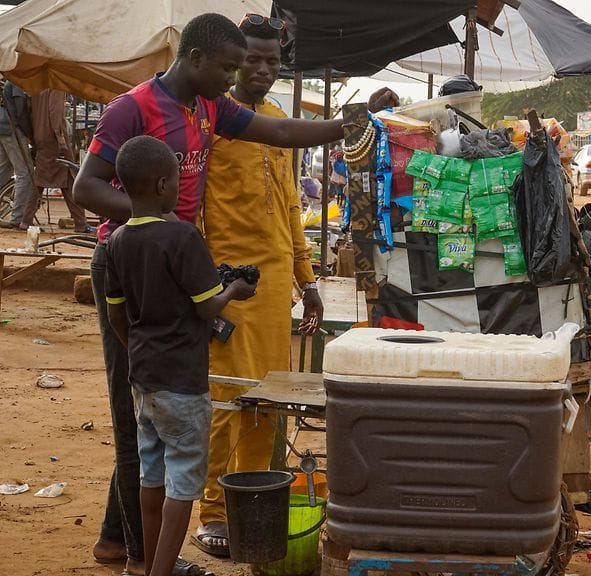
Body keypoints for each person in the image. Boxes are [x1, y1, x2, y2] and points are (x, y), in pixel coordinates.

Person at [72, 12, 396, 576]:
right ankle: (143, 557)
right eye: (228, 66)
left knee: (151, 405)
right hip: (131, 261)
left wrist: (350, 129)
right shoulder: (134, 108)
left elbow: (280, 132)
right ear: (195, 59)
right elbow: (86, 187)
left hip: (173, 261)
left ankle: (120, 544)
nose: (235, 76)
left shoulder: (208, 108)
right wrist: (157, 220)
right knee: (139, 406)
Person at [192, 16, 323, 557]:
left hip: (274, 290)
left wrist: (306, 279)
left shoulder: (275, 123)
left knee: (269, 400)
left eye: (273, 61)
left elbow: (292, 205)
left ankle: (255, 499)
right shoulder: (209, 121)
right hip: (225, 285)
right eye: (254, 60)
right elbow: (193, 204)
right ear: (233, 59)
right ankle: (214, 510)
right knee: (226, 396)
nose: (264, 70)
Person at [104, 134, 257, 576]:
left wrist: (139, 348)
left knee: (150, 474)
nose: (180, 186)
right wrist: (235, 289)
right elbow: (207, 307)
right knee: (184, 483)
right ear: (159, 185)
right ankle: (161, 572)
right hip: (183, 381)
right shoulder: (182, 237)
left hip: (144, 376)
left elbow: (118, 316)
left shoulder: (115, 242)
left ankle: (151, 563)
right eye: (175, 179)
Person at [20, 89, 93, 233]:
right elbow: (55, 112)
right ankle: (80, 223)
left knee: (42, 181)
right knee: (67, 178)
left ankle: (26, 220)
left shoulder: (37, 88)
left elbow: (29, 112)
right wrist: (61, 141)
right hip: (53, 139)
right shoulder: (56, 87)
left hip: (41, 136)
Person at [0, 80, 36, 230]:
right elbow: (20, 112)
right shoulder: (17, 82)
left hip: (3, 129)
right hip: (13, 130)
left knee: (4, 170)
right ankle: (18, 217)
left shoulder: (9, 82)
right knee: (25, 174)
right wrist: (30, 134)